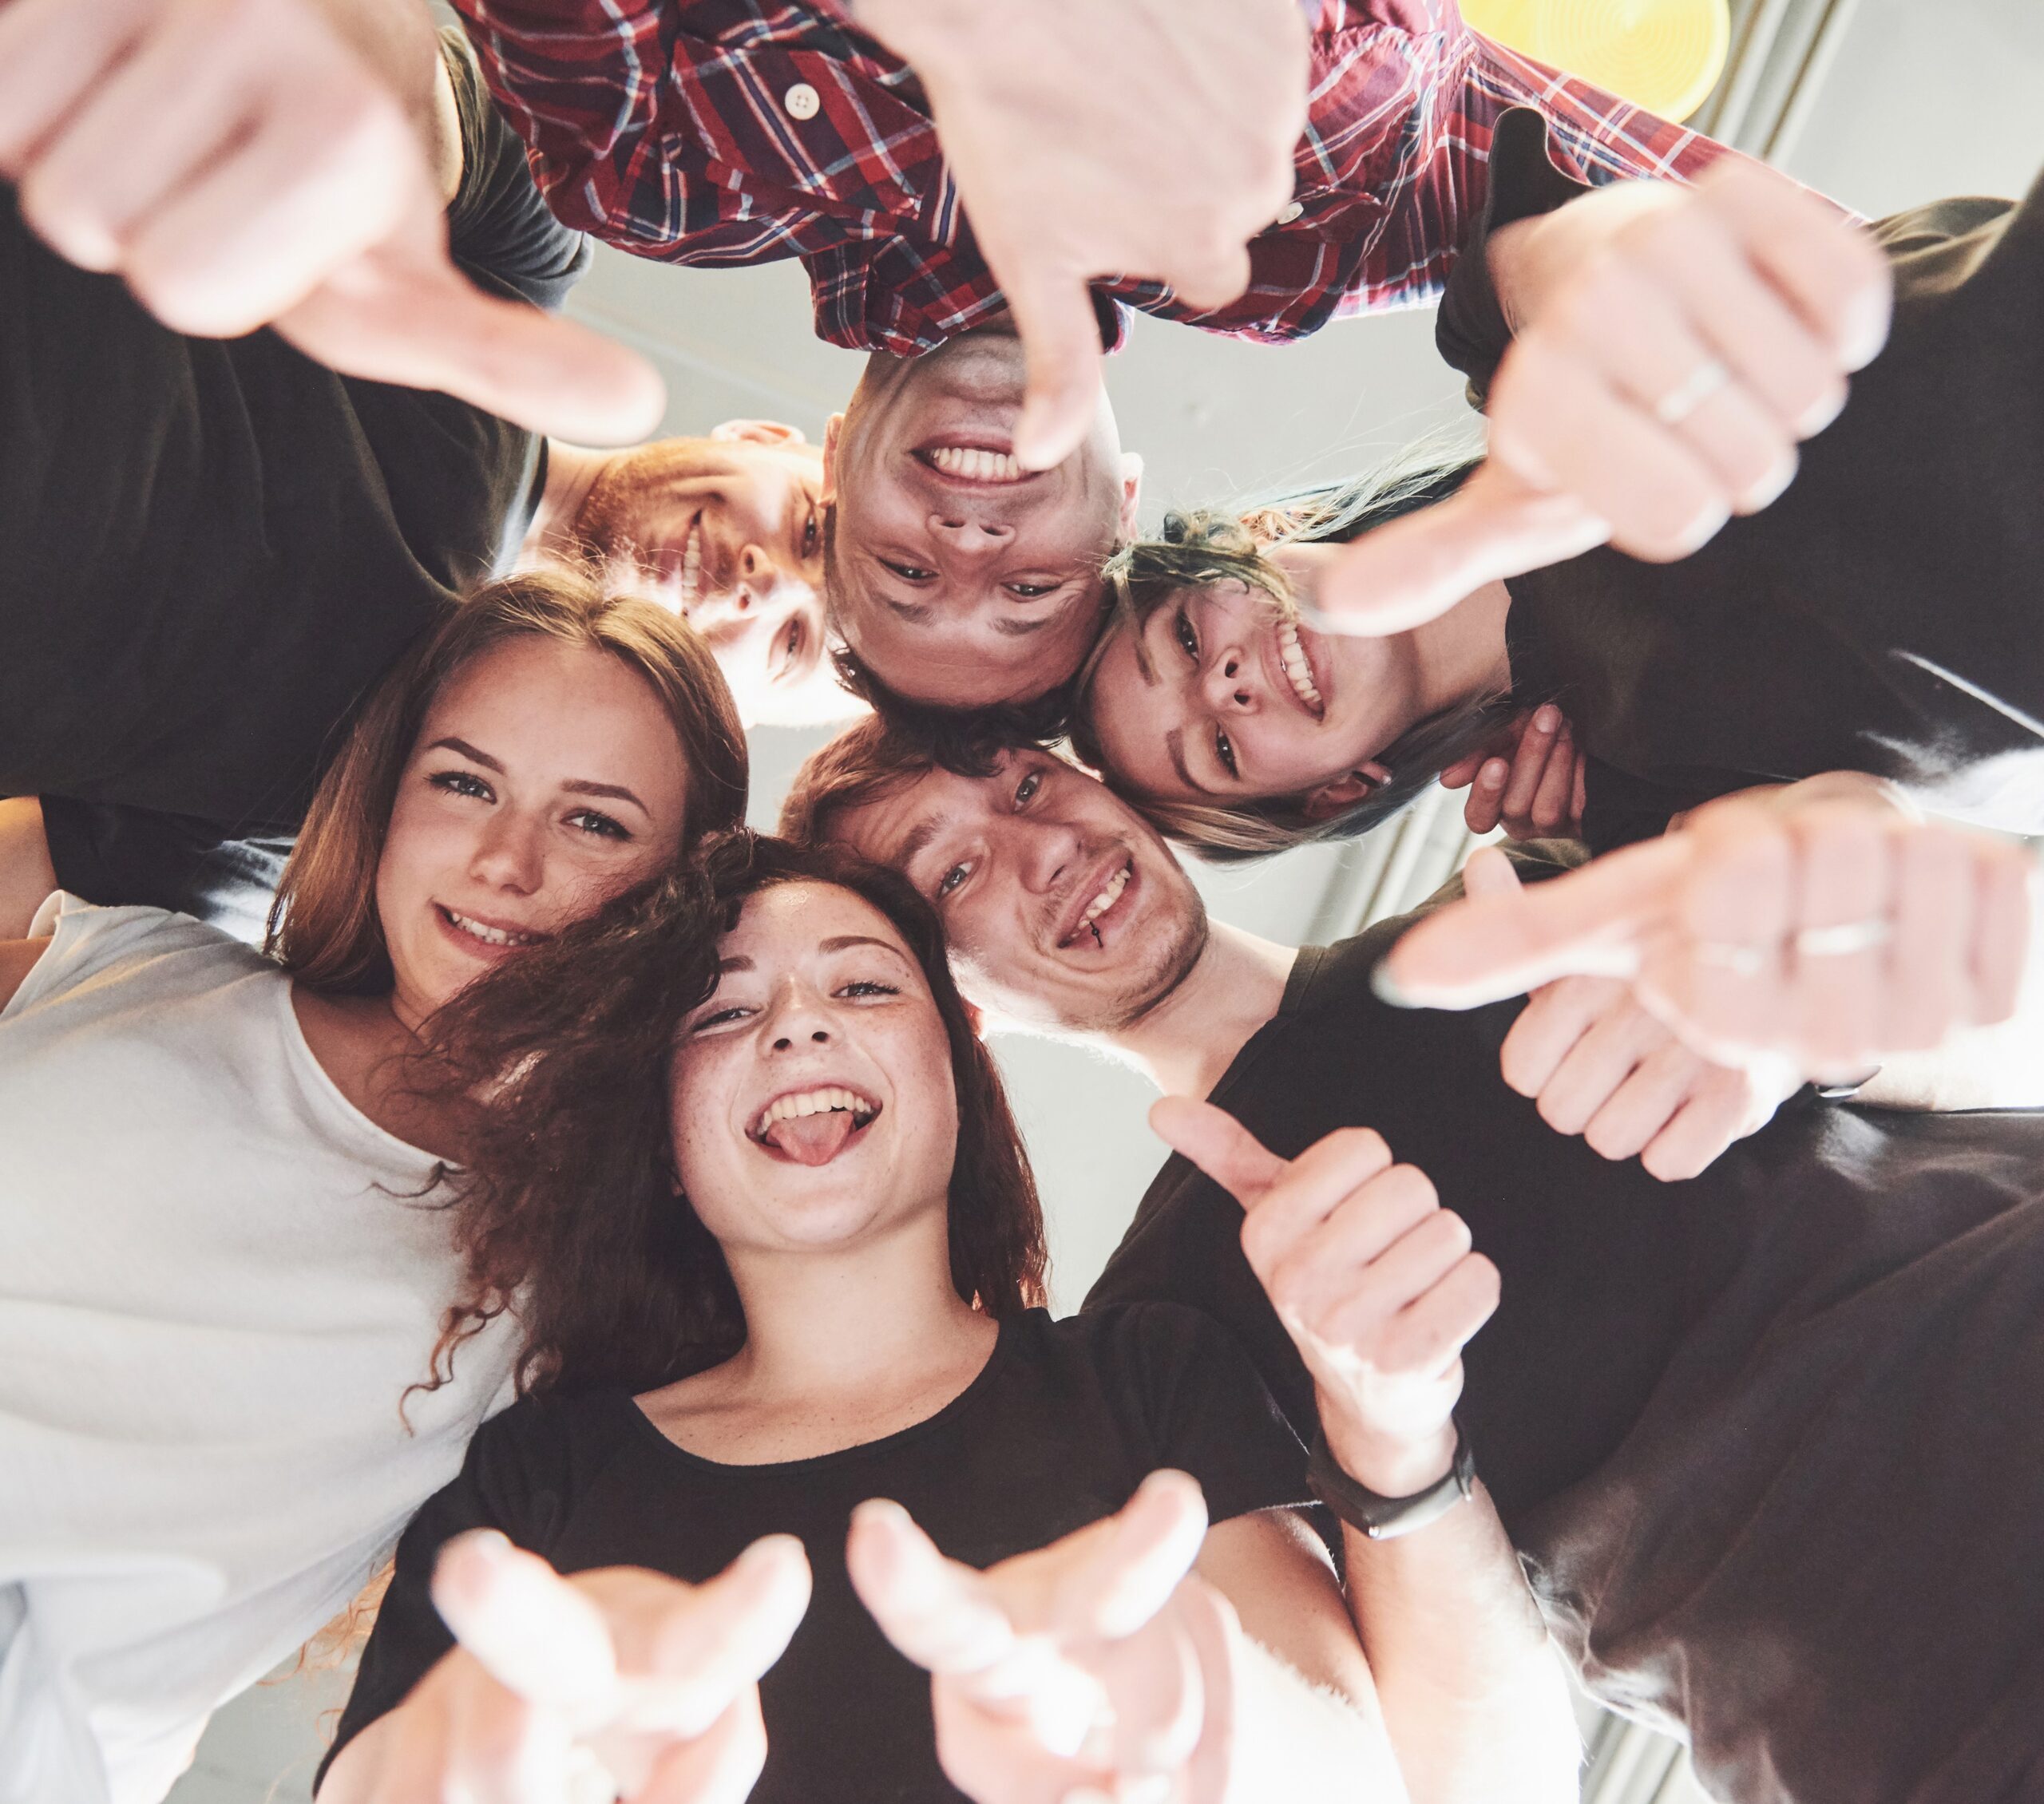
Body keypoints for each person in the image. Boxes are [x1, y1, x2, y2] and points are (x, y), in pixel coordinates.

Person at [784, 726, 2044, 1804]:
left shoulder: (1528, 891)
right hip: (1932, 1724)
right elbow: (1493, 1781)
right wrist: (1393, 1442)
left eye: (1025, 786)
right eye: (956, 871)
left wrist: (1806, 1019)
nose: (1043, 844)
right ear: (958, 1013)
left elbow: (2009, 1024)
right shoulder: (1161, 1346)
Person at [315, 833, 1578, 1804]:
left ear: (959, 1063)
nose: (797, 1023)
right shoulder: (535, 1484)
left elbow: (1425, 1782)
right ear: (661, 1125)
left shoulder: (1143, 1376)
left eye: (863, 989)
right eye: (722, 1011)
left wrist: (1193, 1687)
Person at [446, 0, 1739, 717]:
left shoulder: (664, 173)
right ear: (1120, 498)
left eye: (900, 567)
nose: (966, 544)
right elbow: (1836, 306)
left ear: (833, 452)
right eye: (1026, 591)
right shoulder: (1320, 239)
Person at [0, 570, 747, 1804]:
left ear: (684, 881)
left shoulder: (599, 1272)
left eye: (596, 822)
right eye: (464, 782)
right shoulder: (133, 959)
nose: (507, 861)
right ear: (387, 793)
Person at [0, 28, 846, 947]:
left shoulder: (362, 813)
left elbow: (28, 881)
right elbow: (388, 94)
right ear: (762, 437)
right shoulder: (508, 264)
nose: (762, 581)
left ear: (737, 712)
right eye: (811, 531)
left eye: (793, 641)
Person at [1079, 110, 2044, 862]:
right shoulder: (1626, 800)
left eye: (1189, 638)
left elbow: (1602, 249)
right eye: (1217, 751)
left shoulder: (1501, 350)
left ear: (1256, 532)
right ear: (1339, 790)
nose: (1228, 685)